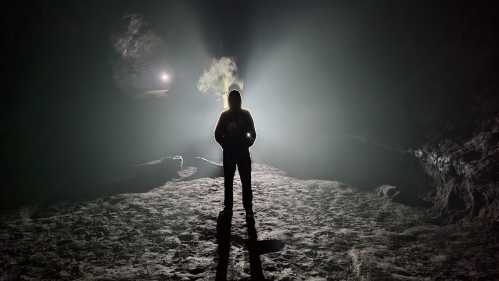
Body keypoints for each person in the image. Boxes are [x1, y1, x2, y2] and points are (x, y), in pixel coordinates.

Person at [214, 90, 264, 280]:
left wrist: (247, 144)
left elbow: (253, 133)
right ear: (230, 101)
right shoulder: (225, 116)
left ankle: (248, 208)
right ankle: (229, 208)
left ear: (239, 100)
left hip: (242, 154)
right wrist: (226, 145)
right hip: (230, 155)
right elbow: (217, 133)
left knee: (246, 183)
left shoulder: (245, 115)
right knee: (228, 183)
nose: (235, 102)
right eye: (233, 99)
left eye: (236, 99)